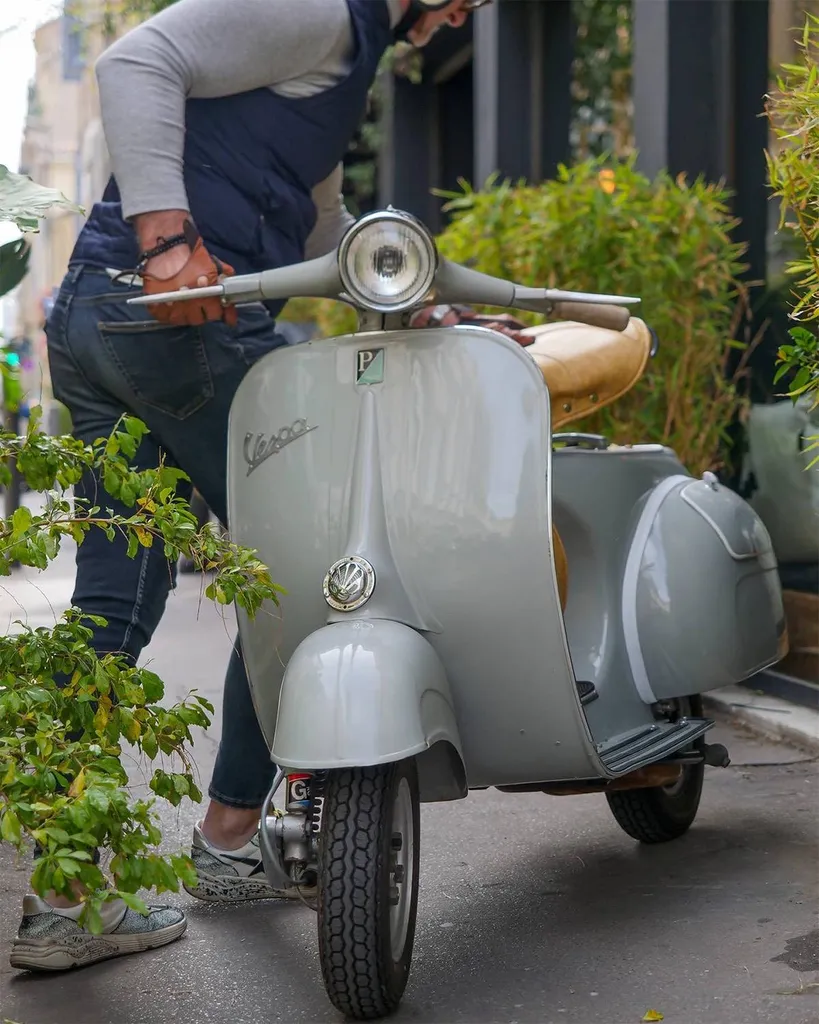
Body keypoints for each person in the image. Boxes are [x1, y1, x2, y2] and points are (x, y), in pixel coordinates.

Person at [10, 0, 509, 973]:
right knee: (316, 569)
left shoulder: (344, 55)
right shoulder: (320, 8)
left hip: (104, 323)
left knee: (113, 603)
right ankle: (229, 841)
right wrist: (166, 240)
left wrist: (420, 300)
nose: (460, 14)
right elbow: (134, 61)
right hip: (173, 320)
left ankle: (60, 901)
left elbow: (319, 220)